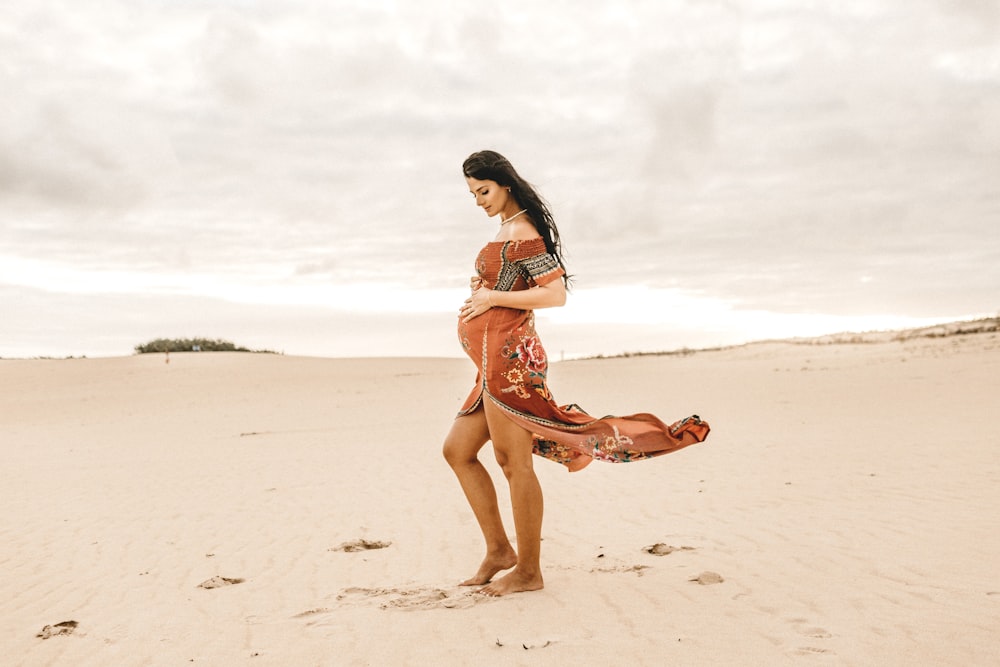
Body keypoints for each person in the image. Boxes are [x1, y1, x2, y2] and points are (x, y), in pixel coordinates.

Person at [443, 150, 710, 597]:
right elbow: (511, 287)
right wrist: (487, 292)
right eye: (472, 194)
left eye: (483, 191)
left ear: (504, 183)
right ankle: (498, 551)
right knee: (457, 450)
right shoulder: (504, 232)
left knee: (513, 462)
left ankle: (528, 570)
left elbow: (555, 295)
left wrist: (492, 298)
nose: (478, 201)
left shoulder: (524, 232)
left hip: (512, 365)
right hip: (489, 366)